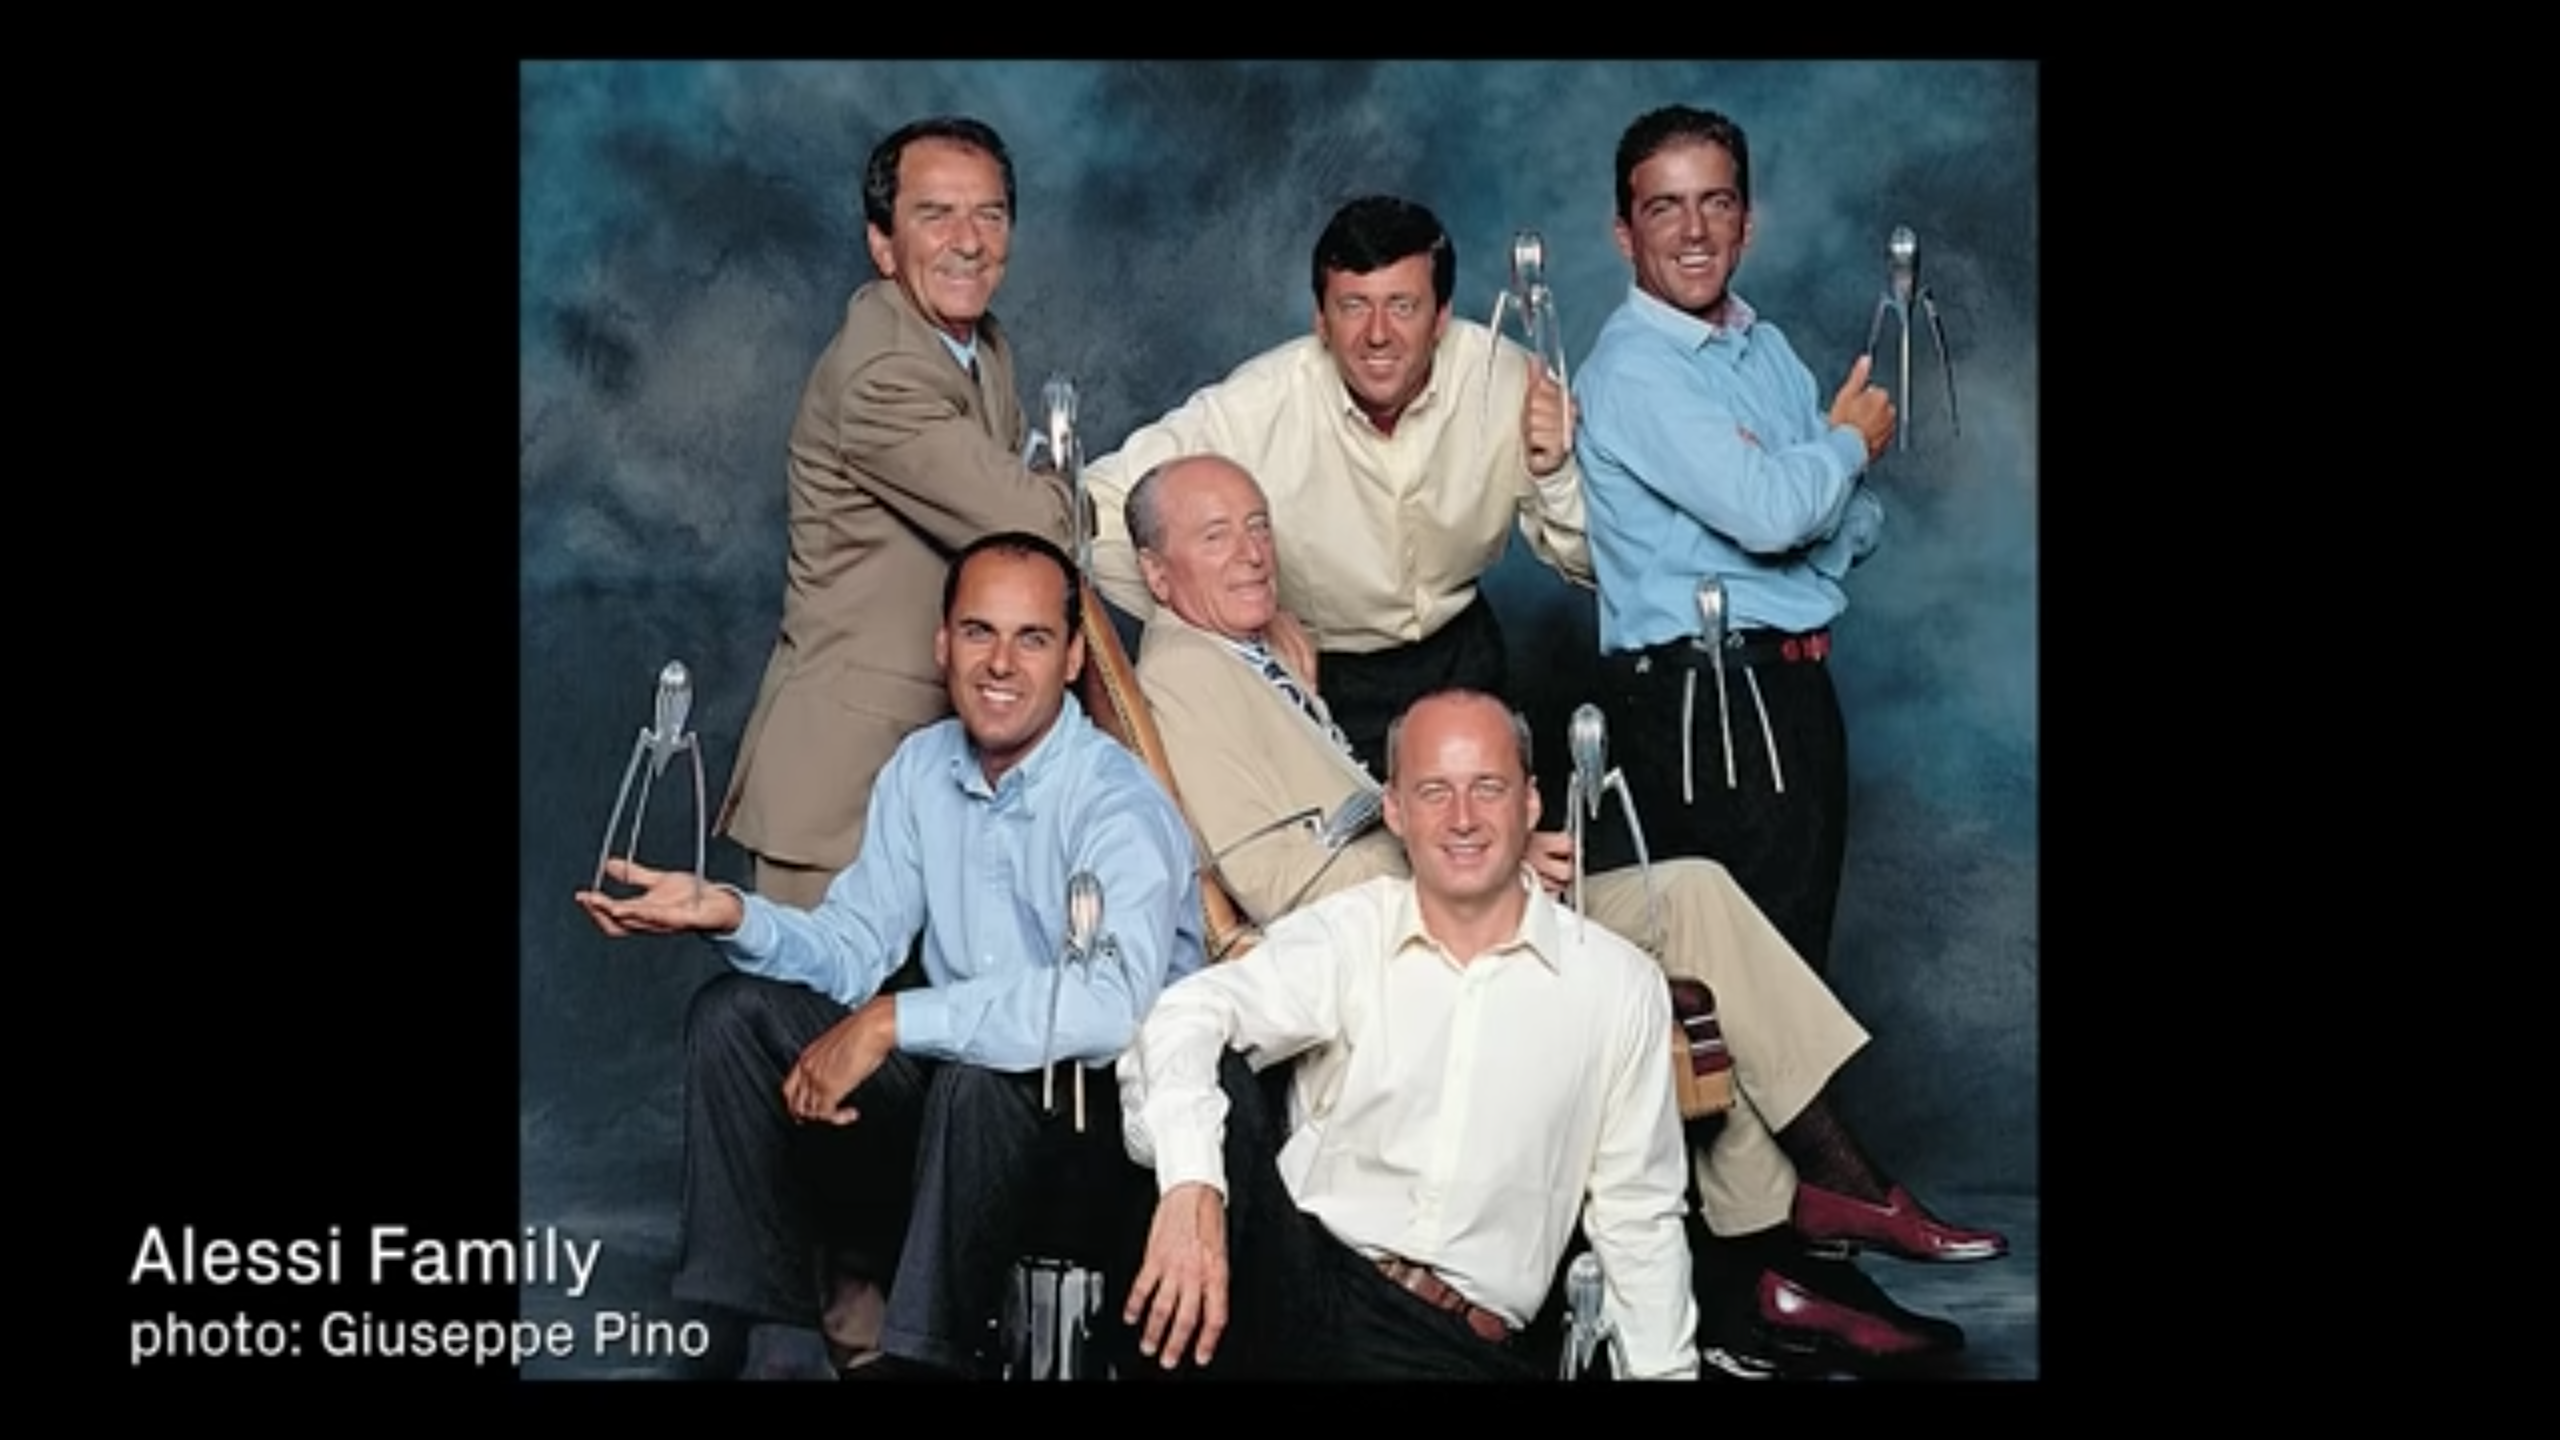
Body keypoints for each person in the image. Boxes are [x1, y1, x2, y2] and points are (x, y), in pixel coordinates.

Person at [1122, 453, 2002, 1375]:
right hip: (1425, 907)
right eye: (1216, 536)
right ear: (1153, 572)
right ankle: (1819, 1206)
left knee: (1690, 914)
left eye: (1258, 526)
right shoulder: (1187, 670)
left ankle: (1781, 1240)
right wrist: (1472, 865)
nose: (1254, 553)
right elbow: (1274, 873)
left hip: (1454, 882)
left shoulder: (1249, 653)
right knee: (1685, 911)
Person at [577, 532, 1205, 1380]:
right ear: (942, 644)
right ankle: (773, 1335)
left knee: (983, 1077)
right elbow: (851, 948)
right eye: (979, 632)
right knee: (734, 1018)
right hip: (952, 1116)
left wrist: (892, 1021)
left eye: (1032, 639)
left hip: (1090, 1132)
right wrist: (730, 913)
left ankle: (921, 1363)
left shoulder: (1115, 803)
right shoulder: (921, 769)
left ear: (1070, 661)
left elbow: (1102, 1008)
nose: (1000, 664)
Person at [1117, 688, 1698, 1379]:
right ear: (1394, 809)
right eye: (1433, 792)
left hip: (1454, 1346)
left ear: (1531, 803)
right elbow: (1183, 1015)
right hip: (1303, 1285)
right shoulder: (1352, 931)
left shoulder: (1616, 985)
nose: (1462, 819)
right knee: (1210, 1064)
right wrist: (1193, 1188)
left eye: (1487, 788)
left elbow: (1641, 1219)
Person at [1080, 194, 1588, 776]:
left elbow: (1591, 565)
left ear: (1441, 316)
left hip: (1466, 660)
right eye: (1353, 306)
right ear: (1321, 319)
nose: (1378, 334)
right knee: (1360, 863)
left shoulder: (1507, 378)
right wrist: (1228, 621)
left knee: (1487, 854)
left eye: (1402, 305)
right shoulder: (1257, 406)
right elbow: (1090, 511)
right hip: (1326, 680)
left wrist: (1555, 475)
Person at [716, 115, 1079, 911]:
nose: (968, 240)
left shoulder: (979, 346)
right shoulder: (881, 374)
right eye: (935, 214)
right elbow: (1039, 531)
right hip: (842, 790)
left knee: (921, 1031)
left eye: (989, 213)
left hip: (939, 776)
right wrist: (1059, 485)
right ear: (882, 244)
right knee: (814, 1033)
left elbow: (1027, 501)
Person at [1571, 104, 1896, 979]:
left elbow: (1850, 528)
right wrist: (1843, 450)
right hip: (1706, 704)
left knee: (1795, 980)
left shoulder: (1769, 349)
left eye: (1715, 203)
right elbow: (1778, 516)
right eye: (1663, 207)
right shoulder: (1635, 367)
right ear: (1622, 232)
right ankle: (1810, 1131)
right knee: (1745, 997)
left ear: (1746, 223)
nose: (1693, 231)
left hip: (1791, 693)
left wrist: (1806, 491)